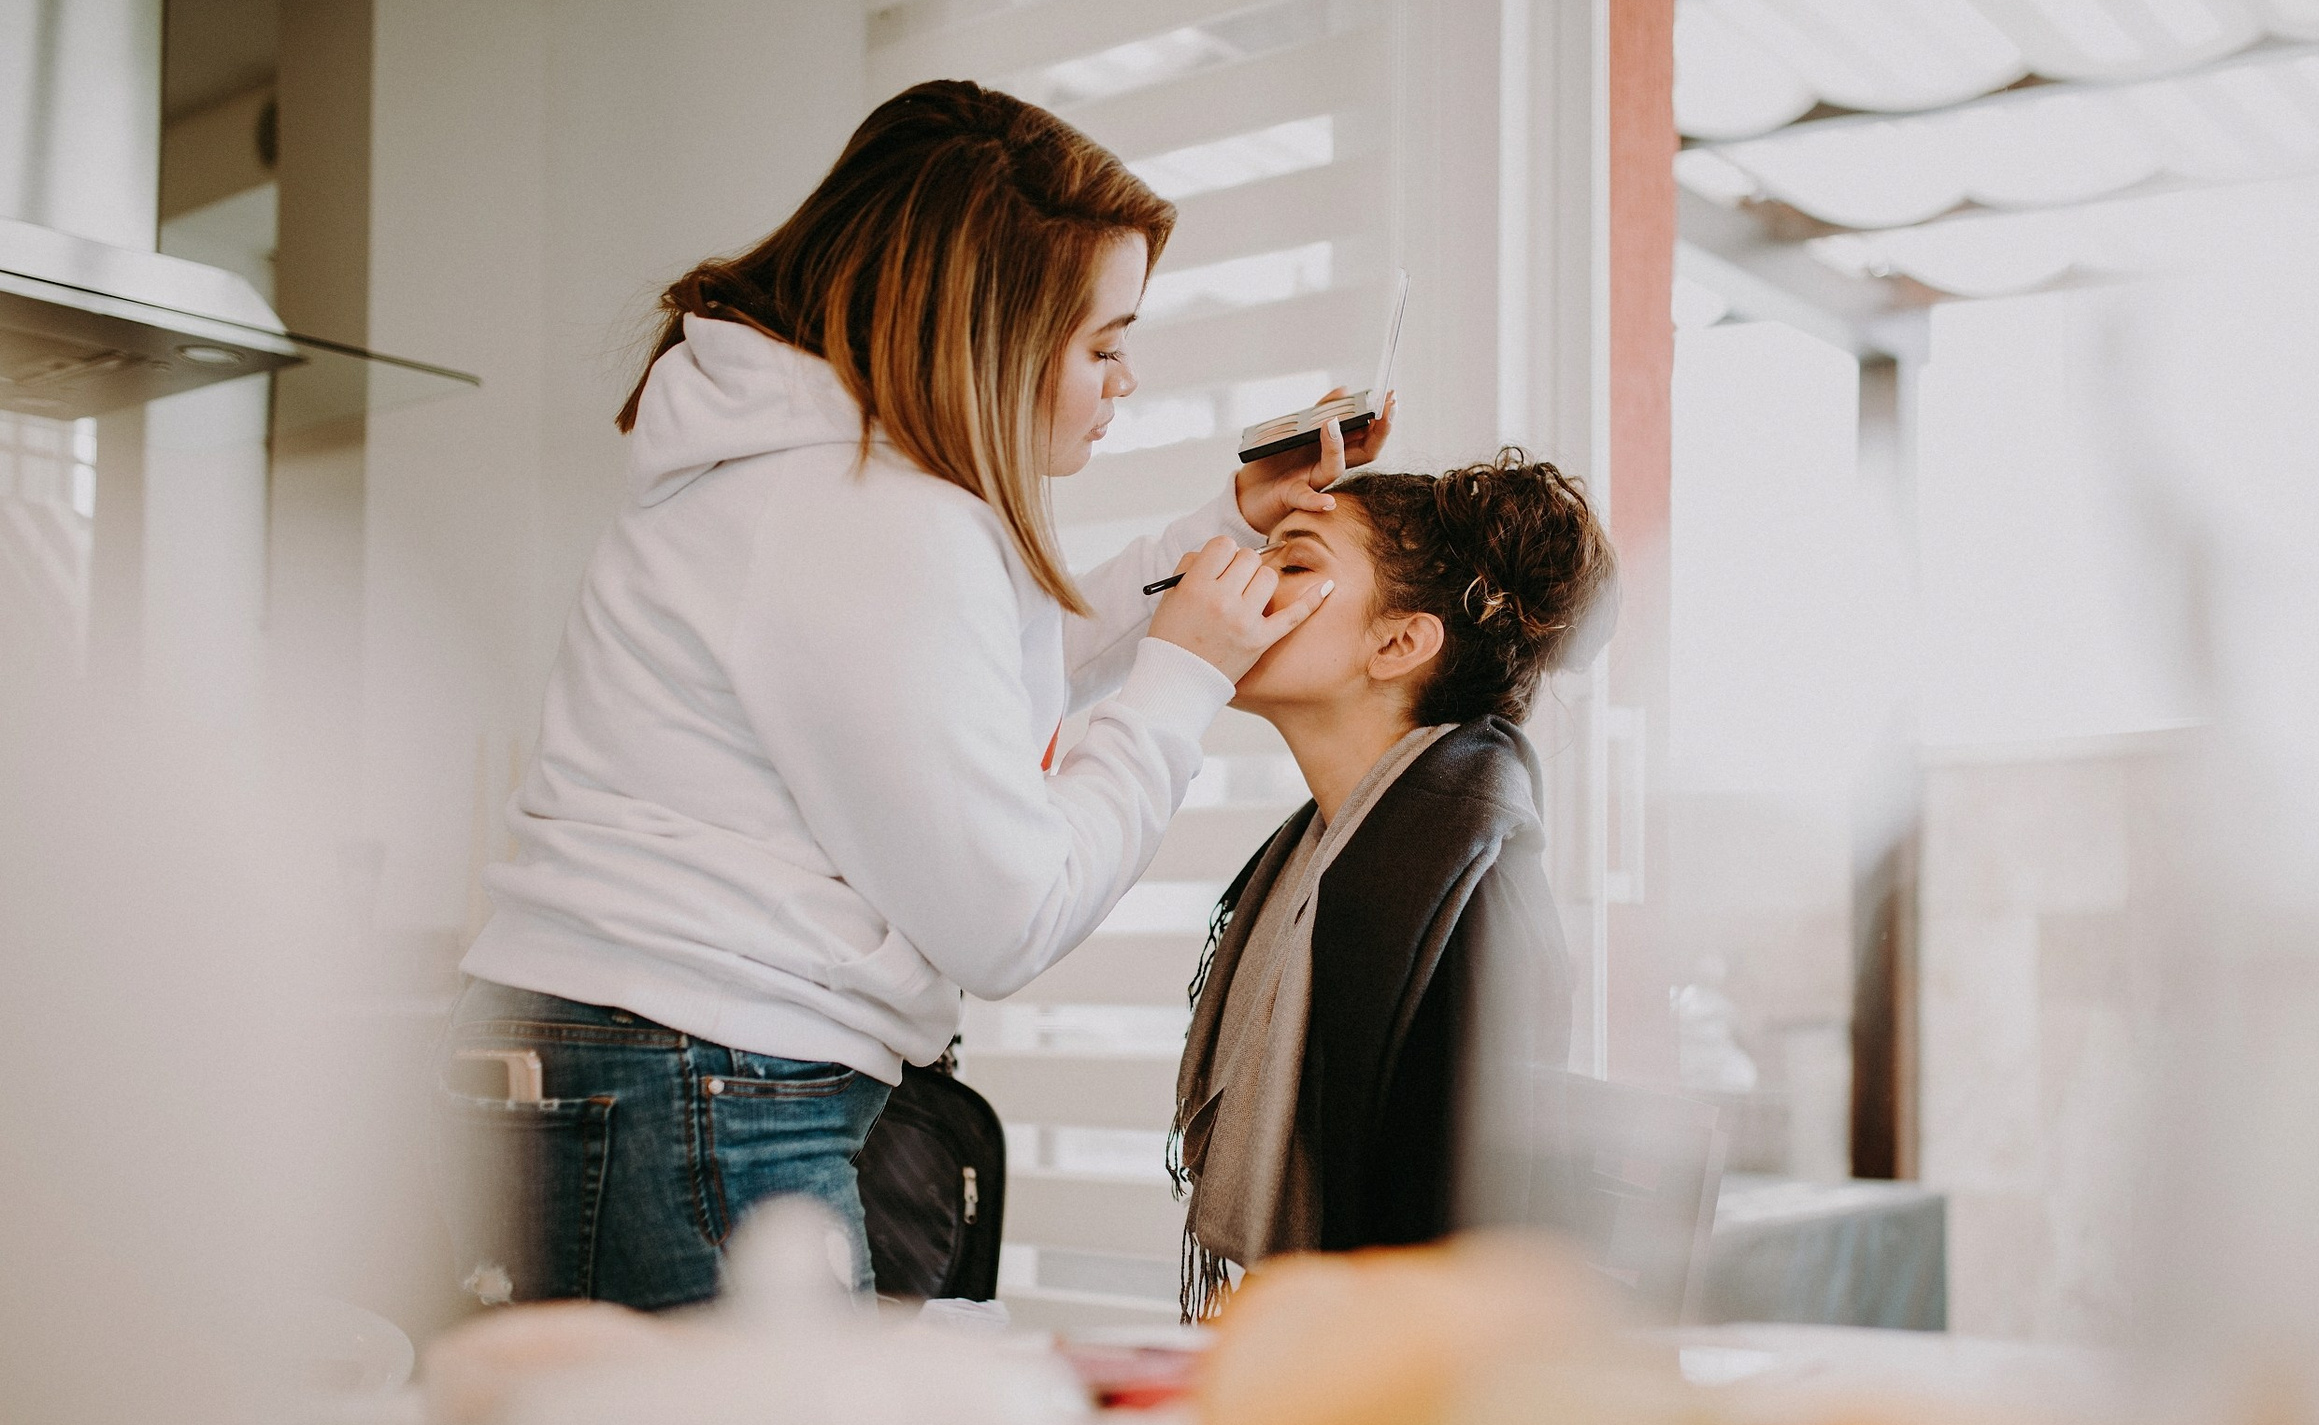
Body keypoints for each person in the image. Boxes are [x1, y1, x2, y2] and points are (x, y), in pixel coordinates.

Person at [439, 80, 1389, 1311]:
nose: (1126, 382)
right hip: (696, 1074)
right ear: (990, 333)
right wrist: (1182, 679)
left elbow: (980, 663)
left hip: (638, 1053)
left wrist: (1220, 527)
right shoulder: (867, 520)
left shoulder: (809, 472)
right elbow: (1006, 920)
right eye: (1102, 344)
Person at [1169, 450, 1617, 1317]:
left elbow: (1453, 1262)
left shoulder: (1471, 904)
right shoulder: (1332, 862)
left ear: (1400, 642)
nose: (1236, 580)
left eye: (1293, 561)